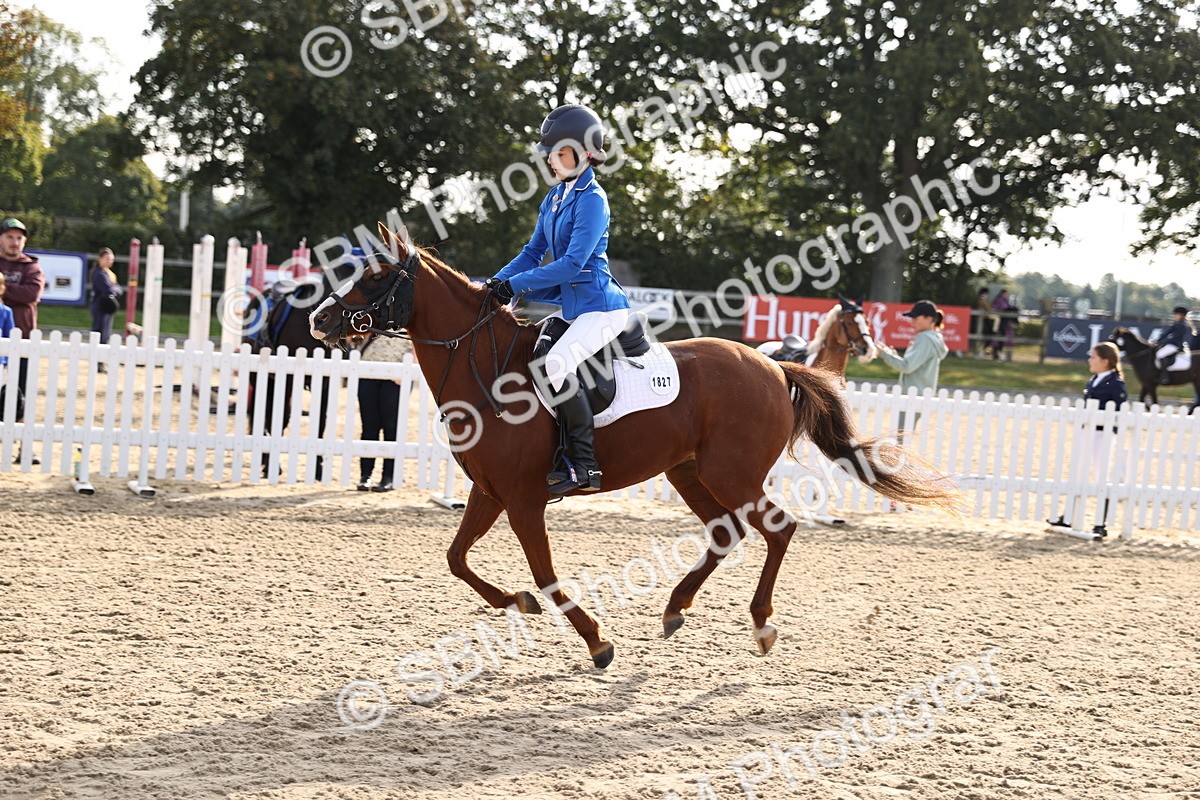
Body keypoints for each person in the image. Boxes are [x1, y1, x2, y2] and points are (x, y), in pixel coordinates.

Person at [485, 104, 630, 495]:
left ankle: (583, 465)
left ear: (585, 153)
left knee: (556, 363)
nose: (550, 158)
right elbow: (533, 252)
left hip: (601, 307)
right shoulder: (553, 198)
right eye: (548, 152)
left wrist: (515, 287)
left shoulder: (592, 198)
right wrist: (494, 284)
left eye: (559, 152)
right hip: (569, 306)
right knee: (530, 353)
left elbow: (570, 264)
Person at [1047, 342, 1128, 538]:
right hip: (1088, 433)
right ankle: (1068, 516)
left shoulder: (1116, 383)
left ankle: (1101, 522)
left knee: (1102, 477)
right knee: (1079, 473)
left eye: (1093, 357)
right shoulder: (1094, 379)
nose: (1089, 360)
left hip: (1104, 435)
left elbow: (1119, 411)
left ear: (1105, 361)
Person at [875, 299, 949, 437]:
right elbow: (912, 365)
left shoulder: (925, 338)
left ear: (929, 319)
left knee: (900, 440)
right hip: (920, 395)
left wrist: (885, 354)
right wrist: (893, 355)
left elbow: (907, 366)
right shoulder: (934, 338)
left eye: (915, 317)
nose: (912, 321)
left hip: (912, 397)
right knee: (902, 437)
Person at [0, 218, 43, 420]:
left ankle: (20, 444)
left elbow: (32, 294)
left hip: (23, 337)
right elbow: (23, 294)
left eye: (19, 238)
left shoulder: (32, 267)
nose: (14, 242)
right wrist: (16, 293)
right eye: (10, 236)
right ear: (1, 238)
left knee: (21, 393)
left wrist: (3, 290)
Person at [356, 332, 409, 492]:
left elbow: (417, 341)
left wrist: (410, 369)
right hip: (367, 370)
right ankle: (365, 475)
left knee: (391, 427)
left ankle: (388, 476)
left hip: (397, 374)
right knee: (369, 426)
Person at [90, 247, 124, 347]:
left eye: (111, 259)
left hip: (106, 306)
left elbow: (118, 289)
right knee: (100, 330)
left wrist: (114, 289)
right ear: (100, 258)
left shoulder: (108, 273)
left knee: (106, 331)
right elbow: (108, 290)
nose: (110, 261)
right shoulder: (99, 273)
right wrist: (114, 289)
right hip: (100, 305)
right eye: (107, 259)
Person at [1154, 305, 1193, 384]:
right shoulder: (1176, 324)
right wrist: (1157, 340)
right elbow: (1166, 333)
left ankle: (1165, 376)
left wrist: (1162, 343)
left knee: (1160, 354)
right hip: (1171, 344)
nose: (1175, 316)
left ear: (1181, 315)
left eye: (1176, 314)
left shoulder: (1182, 326)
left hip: (1175, 346)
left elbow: (1174, 337)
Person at [990, 289, 1015, 360]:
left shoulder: (1004, 300)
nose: (1008, 295)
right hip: (1000, 322)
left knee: (1002, 338)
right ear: (1003, 293)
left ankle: (1002, 355)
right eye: (1007, 294)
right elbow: (1004, 309)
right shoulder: (1000, 300)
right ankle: (997, 354)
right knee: (999, 338)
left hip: (1004, 322)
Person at [975, 287, 993, 358]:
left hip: (986, 320)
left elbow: (989, 309)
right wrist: (983, 301)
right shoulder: (979, 301)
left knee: (989, 336)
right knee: (980, 336)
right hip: (980, 321)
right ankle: (978, 352)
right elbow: (982, 308)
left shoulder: (987, 301)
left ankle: (982, 351)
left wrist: (985, 301)